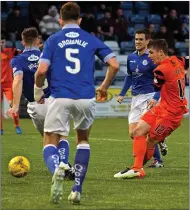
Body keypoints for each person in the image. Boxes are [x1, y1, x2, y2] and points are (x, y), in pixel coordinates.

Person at [34, 2, 119, 204]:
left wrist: (38, 88)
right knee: (82, 139)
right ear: (80, 20)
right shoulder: (91, 39)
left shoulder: (53, 40)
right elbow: (114, 64)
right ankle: (77, 189)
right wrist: (105, 86)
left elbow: (42, 71)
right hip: (86, 97)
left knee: (49, 139)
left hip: (60, 96)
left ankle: (56, 168)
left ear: (60, 20)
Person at [7, 27, 74, 180]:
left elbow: (18, 79)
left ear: (22, 41)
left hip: (36, 105)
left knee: (48, 139)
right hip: (55, 100)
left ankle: (59, 167)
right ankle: (63, 164)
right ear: (38, 40)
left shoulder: (18, 59)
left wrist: (15, 106)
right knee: (61, 136)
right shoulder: (48, 56)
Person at [115, 39, 188, 179]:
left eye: (151, 53)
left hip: (172, 114)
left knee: (150, 141)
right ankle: (136, 168)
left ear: (160, 53)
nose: (149, 56)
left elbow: (155, 87)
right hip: (162, 107)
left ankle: (137, 168)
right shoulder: (178, 59)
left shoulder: (160, 70)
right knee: (137, 131)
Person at [114, 29, 166, 177]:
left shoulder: (151, 58)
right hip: (136, 98)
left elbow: (161, 79)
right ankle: (160, 139)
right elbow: (129, 77)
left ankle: (151, 162)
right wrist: (122, 94)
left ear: (147, 41)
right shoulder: (131, 57)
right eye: (136, 39)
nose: (137, 42)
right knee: (133, 133)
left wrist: (156, 97)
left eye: (141, 39)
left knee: (142, 131)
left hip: (149, 96)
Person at [1, 34, 22, 135]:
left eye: (3, 42)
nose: (1, 43)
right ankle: (1, 129)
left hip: (8, 84)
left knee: (12, 105)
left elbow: (20, 52)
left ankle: (17, 125)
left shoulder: (10, 51)